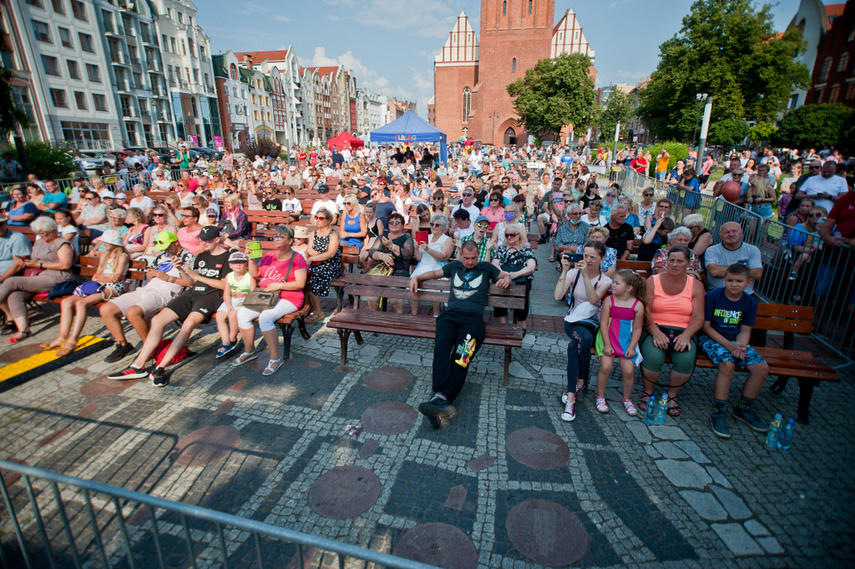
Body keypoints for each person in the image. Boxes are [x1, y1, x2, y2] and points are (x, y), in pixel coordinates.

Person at [107, 226, 230, 386]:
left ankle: (160, 367)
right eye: (201, 239)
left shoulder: (227, 257)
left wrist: (196, 276)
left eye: (207, 239)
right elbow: (191, 282)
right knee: (158, 320)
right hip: (193, 293)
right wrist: (181, 269)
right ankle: (138, 365)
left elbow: (224, 285)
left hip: (211, 296)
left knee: (188, 324)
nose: (203, 242)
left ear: (216, 239)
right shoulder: (202, 256)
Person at [411, 240, 513, 427]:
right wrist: (416, 278)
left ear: (478, 256)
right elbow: (434, 273)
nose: (470, 262)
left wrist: (506, 279)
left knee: (461, 357)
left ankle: (440, 398)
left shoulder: (486, 267)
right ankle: (441, 398)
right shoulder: (454, 265)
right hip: (449, 317)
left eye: (473, 258)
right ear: (460, 254)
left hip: (473, 321)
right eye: (466, 258)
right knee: (441, 351)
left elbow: (506, 276)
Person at [101, 230, 195, 362]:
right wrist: (149, 276)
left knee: (133, 312)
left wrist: (167, 278)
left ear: (175, 242)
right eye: (163, 248)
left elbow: (191, 283)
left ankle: (150, 348)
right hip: (147, 289)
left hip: (167, 292)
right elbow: (151, 277)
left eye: (167, 246)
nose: (166, 250)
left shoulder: (188, 258)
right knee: (107, 309)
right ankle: (123, 344)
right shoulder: (161, 256)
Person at [700, 263, 770, 438]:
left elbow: (745, 330)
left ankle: (743, 408)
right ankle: (719, 411)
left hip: (735, 341)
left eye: (739, 281)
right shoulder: (713, 296)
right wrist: (730, 346)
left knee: (761, 368)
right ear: (724, 279)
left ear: (748, 282)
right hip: (712, 338)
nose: (733, 284)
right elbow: (706, 328)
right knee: (727, 364)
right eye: (729, 280)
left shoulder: (750, 302)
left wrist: (741, 347)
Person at [638, 245, 705, 417]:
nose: (675, 264)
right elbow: (645, 311)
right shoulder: (653, 281)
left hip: (683, 330)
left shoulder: (696, 286)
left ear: (688, 263)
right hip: (656, 328)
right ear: (666, 261)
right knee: (653, 357)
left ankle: (672, 396)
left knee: (685, 359)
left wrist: (687, 335)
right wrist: (655, 332)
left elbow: (698, 316)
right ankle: (647, 391)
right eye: (671, 260)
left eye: (680, 261)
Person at [231, 225, 308, 374]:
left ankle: (275, 358)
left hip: (290, 297)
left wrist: (278, 285)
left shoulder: (297, 258)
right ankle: (250, 351)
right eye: (276, 236)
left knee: (265, 318)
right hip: (267, 296)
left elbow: (300, 283)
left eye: (281, 236)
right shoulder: (270, 255)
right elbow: (255, 273)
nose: (276, 239)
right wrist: (250, 258)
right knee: (242, 314)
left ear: (291, 240)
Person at [42, 230, 129, 357]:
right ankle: (62, 336)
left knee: (82, 303)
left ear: (113, 243)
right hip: (100, 285)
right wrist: (104, 277)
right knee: (67, 301)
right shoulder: (105, 255)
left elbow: (116, 278)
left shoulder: (122, 256)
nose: (103, 243)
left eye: (106, 241)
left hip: (114, 288)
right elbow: (95, 276)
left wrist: (103, 277)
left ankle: (73, 340)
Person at [554, 241, 612, 422]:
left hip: (593, 322)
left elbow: (594, 299)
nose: (587, 260)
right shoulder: (573, 273)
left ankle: (572, 393)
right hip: (573, 320)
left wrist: (586, 276)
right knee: (584, 338)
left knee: (574, 346)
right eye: (585, 256)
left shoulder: (606, 280)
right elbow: (557, 295)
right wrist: (565, 271)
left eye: (592, 257)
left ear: (602, 259)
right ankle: (578, 385)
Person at [0, 216, 75, 342]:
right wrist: (30, 263)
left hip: (58, 277)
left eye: (43, 233)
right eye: (39, 234)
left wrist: (39, 265)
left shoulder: (62, 244)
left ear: (53, 230)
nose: (41, 236)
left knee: (12, 281)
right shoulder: (40, 241)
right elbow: (37, 258)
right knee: (15, 295)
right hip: (40, 276)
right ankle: (24, 330)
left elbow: (65, 265)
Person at [594, 269, 646, 415]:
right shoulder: (609, 301)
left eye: (617, 283)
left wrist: (631, 347)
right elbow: (604, 324)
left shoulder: (637, 305)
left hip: (626, 341)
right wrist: (607, 344)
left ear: (629, 288)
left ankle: (627, 399)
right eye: (613, 282)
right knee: (605, 366)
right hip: (608, 339)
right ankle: (600, 396)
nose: (613, 285)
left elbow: (637, 329)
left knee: (629, 370)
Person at [365, 212, 414, 313]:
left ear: (402, 225)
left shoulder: (407, 238)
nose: (394, 224)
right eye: (391, 222)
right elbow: (371, 252)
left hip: (399, 272)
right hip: (380, 272)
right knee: (372, 295)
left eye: (397, 222)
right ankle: (375, 319)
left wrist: (391, 246)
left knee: (394, 296)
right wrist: (382, 256)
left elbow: (408, 254)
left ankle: (398, 320)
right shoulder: (383, 237)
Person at [491, 222, 536, 326]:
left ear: (519, 235)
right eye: (507, 235)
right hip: (503, 276)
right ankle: (503, 321)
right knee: (498, 287)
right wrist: (504, 274)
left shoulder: (526, 249)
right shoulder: (502, 248)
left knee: (522, 290)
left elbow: (531, 267)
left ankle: (521, 322)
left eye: (513, 234)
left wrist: (515, 274)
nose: (509, 237)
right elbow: (494, 263)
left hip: (521, 278)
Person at [410, 213, 454, 316]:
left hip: (438, 269)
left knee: (429, 279)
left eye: (437, 225)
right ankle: (414, 315)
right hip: (422, 266)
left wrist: (428, 249)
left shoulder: (447, 239)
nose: (433, 227)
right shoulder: (426, 237)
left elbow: (444, 256)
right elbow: (418, 258)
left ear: (443, 227)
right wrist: (417, 249)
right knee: (418, 277)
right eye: (432, 224)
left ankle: (436, 312)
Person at [215, 251, 256, 358]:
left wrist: (237, 307)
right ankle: (225, 342)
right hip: (232, 300)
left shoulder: (249, 277)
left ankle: (232, 339)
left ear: (246, 264)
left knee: (233, 315)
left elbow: (253, 294)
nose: (238, 265)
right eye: (235, 262)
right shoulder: (229, 276)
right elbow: (227, 293)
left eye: (241, 262)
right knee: (220, 315)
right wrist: (228, 305)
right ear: (230, 265)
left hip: (245, 301)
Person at [304, 207, 341, 323]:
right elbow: (308, 249)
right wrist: (313, 255)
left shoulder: (333, 234)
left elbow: (330, 253)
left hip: (330, 266)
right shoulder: (313, 233)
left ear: (328, 220)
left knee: (314, 276)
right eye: (316, 217)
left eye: (321, 218)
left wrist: (314, 257)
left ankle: (318, 312)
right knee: (301, 275)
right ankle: (308, 307)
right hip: (316, 264)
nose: (318, 220)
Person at [705, 222, 763, 295]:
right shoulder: (712, 250)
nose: (731, 234)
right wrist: (745, 269)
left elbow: (757, 274)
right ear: (720, 236)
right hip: (717, 294)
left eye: (734, 231)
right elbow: (714, 271)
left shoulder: (753, 250)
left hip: (745, 295)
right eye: (727, 232)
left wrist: (721, 270)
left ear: (741, 233)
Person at [0, 215, 33, 284]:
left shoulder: (17, 238)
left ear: (5, 223)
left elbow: (19, 265)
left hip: (7, 277)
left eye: (1, 224)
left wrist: (0, 279)